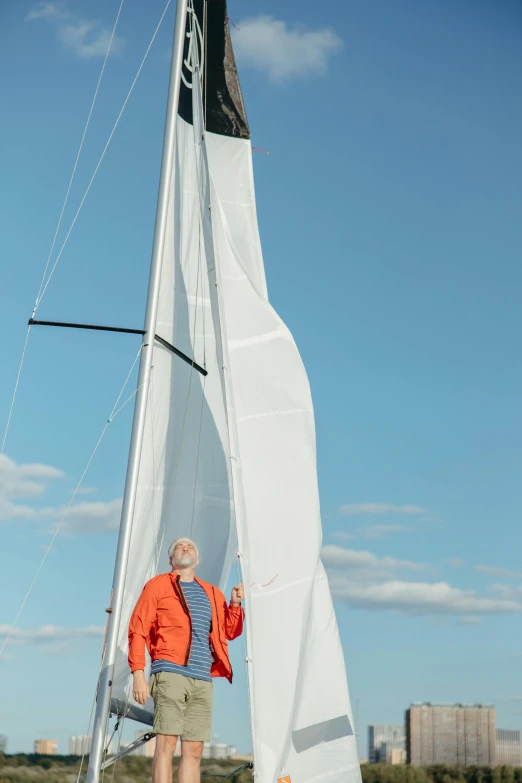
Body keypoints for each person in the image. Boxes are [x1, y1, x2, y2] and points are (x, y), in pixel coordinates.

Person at [128, 538, 244, 783]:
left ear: (197, 560)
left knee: (194, 750)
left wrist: (234, 603)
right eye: (179, 547)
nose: (185, 548)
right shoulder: (157, 586)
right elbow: (137, 629)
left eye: (191, 546)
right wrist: (138, 674)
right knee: (166, 743)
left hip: (202, 678)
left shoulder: (212, 593)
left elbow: (229, 632)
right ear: (171, 560)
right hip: (169, 673)